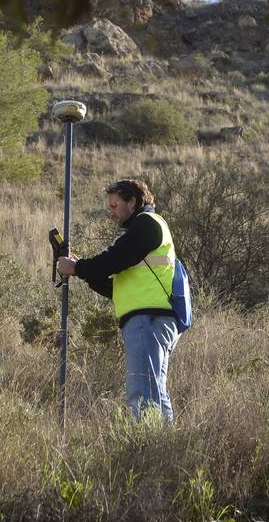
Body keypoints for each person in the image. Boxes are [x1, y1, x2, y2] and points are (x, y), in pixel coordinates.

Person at [57, 178, 180, 422]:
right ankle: (163, 448)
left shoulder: (146, 225)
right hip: (150, 319)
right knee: (154, 392)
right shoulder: (146, 230)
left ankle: (149, 450)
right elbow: (117, 288)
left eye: (114, 206)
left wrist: (78, 267)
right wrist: (82, 270)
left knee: (143, 394)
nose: (111, 212)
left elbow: (112, 260)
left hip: (148, 321)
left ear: (132, 201)